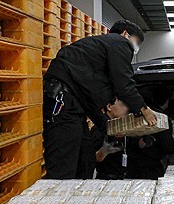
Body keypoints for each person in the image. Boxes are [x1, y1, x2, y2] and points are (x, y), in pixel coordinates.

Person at [43, 20, 156, 179]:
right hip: (62, 98)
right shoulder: (119, 43)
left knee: (85, 156)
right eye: (136, 42)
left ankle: (75, 199)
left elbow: (89, 101)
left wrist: (108, 128)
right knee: (63, 163)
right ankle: (53, 200)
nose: (134, 49)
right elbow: (124, 85)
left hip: (73, 102)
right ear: (125, 34)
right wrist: (144, 109)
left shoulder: (95, 58)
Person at [126, 86, 174, 179]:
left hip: (133, 164)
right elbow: (168, 146)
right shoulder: (163, 119)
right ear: (167, 101)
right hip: (151, 167)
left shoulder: (138, 115)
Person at [93, 99, 129, 180]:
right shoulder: (99, 127)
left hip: (122, 177)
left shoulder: (123, 127)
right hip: (105, 179)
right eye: (121, 105)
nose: (126, 109)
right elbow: (92, 157)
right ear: (109, 107)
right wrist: (104, 151)